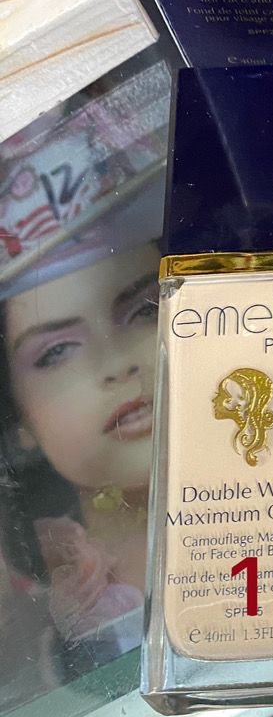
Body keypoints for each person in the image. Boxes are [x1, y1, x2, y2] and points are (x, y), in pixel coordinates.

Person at [0, 242, 158, 653]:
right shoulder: (47, 618)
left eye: (146, 311)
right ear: (20, 419)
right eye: (57, 351)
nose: (116, 362)